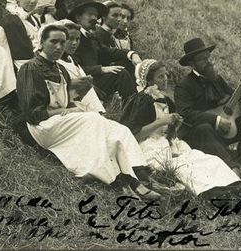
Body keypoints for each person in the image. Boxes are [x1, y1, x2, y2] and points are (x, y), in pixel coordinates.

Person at [16, 24, 160, 198]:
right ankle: (116, 179)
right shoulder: (30, 68)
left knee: (117, 128)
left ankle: (139, 174)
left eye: (63, 42)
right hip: (42, 127)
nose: (59, 47)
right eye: (53, 41)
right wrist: (67, 110)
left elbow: (65, 100)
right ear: (42, 43)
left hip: (59, 121)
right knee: (92, 120)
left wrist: (78, 94)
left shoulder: (60, 69)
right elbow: (33, 113)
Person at [121, 60, 241, 196]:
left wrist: (174, 125)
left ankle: (233, 184)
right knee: (183, 167)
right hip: (149, 145)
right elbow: (134, 135)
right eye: (160, 76)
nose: (165, 79)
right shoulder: (142, 100)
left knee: (203, 159)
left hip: (170, 143)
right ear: (149, 81)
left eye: (165, 75)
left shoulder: (166, 100)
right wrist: (161, 122)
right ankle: (215, 191)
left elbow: (170, 133)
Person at [174, 38, 241, 174]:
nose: (208, 62)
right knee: (205, 128)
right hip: (200, 135)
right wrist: (216, 120)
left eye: (208, 58)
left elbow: (238, 96)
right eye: (202, 59)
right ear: (191, 63)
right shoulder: (184, 85)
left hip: (225, 130)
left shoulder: (216, 79)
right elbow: (186, 113)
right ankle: (232, 167)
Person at [68, 0, 141, 102]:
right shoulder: (72, 37)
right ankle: (133, 108)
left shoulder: (91, 36)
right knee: (120, 73)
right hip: (83, 83)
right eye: (90, 14)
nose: (94, 18)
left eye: (95, 15)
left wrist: (131, 53)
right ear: (78, 17)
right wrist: (101, 69)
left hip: (95, 78)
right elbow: (75, 68)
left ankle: (135, 102)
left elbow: (107, 52)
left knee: (125, 64)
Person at [55, 20, 105, 114]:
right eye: (70, 39)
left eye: (77, 39)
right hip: (65, 107)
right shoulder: (55, 63)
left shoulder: (72, 60)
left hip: (83, 102)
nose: (74, 43)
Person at [0, 0, 42, 70]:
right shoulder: (12, 20)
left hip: (38, 60)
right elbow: (21, 54)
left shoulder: (34, 18)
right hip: (24, 67)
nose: (33, 1)